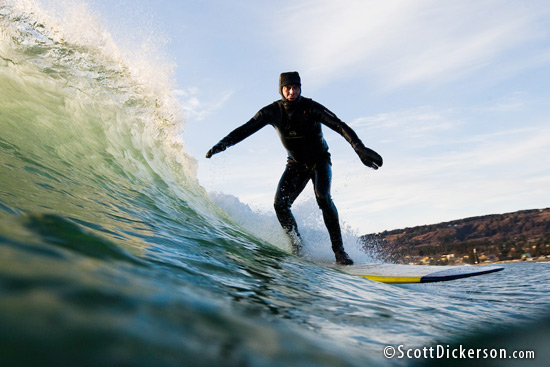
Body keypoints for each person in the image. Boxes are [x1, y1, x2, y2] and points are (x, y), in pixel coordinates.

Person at [206, 71, 382, 265]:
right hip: (296, 164)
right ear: (281, 90)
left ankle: (339, 251)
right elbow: (246, 128)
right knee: (280, 204)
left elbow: (339, 125)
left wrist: (359, 148)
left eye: (295, 87)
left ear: (300, 88)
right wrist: (223, 143)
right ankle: (297, 246)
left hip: (319, 160)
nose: (291, 92)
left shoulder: (311, 107)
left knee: (323, 197)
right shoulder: (272, 111)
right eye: (287, 88)